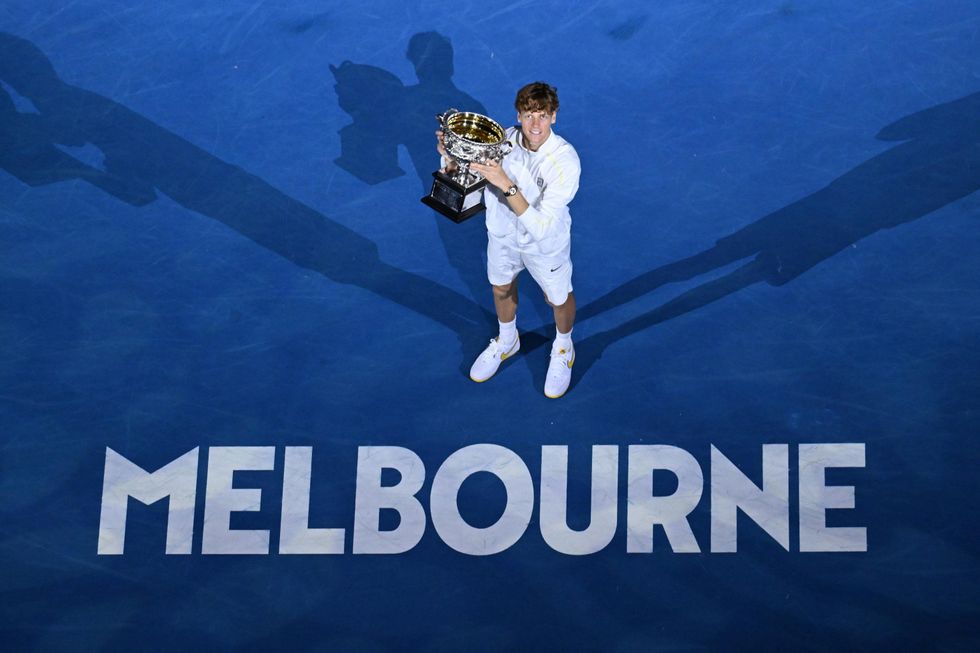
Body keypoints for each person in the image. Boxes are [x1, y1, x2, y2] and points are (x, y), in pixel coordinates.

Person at [437, 82, 581, 398]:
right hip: (502, 237)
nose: (535, 125)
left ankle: (563, 346)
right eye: (529, 115)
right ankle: (507, 340)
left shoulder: (565, 161)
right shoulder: (500, 140)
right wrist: (449, 160)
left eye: (542, 116)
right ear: (518, 114)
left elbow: (540, 226)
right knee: (501, 287)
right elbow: (466, 188)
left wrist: (506, 184)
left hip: (545, 246)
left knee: (556, 299)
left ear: (554, 117)